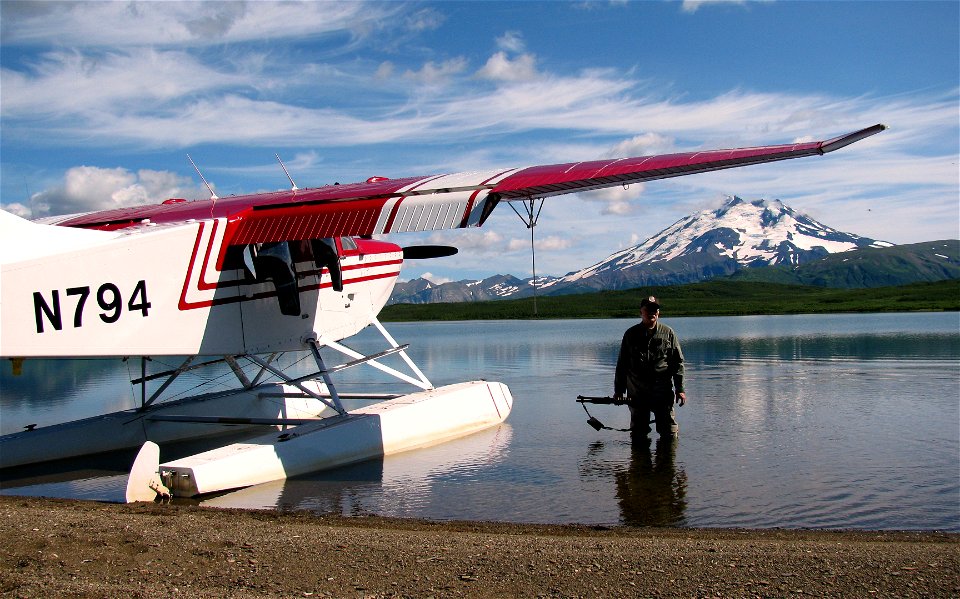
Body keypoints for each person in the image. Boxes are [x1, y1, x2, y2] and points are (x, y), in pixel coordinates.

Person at [613, 296, 686, 437]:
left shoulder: (668, 333)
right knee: (638, 434)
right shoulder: (630, 334)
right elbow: (622, 364)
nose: (651, 313)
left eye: (655, 310)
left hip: (662, 391)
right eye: (648, 310)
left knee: (669, 433)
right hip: (637, 392)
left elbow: (677, 363)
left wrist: (680, 389)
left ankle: (667, 459)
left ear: (658, 313)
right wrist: (619, 391)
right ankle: (640, 456)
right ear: (641, 312)